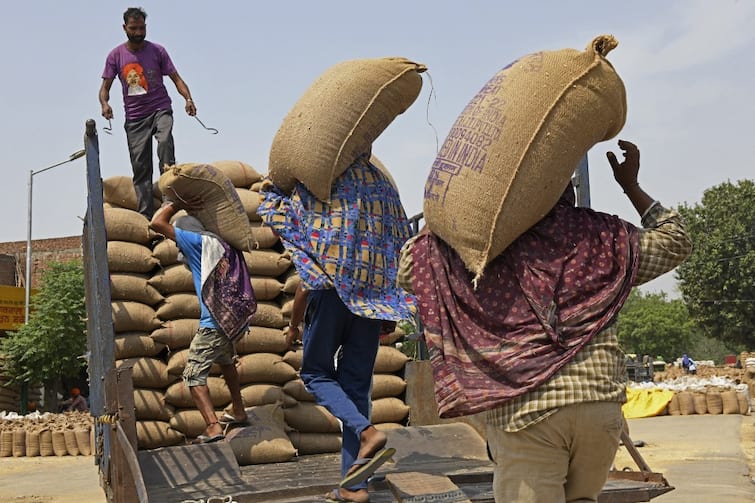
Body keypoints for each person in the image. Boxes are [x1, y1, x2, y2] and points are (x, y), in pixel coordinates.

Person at [397, 140, 692, 502]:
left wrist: (446, 209)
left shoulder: (484, 247)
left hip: (526, 411)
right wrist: (630, 186)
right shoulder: (603, 238)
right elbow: (675, 240)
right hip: (598, 406)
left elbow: (412, 270)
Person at [258, 154, 415, 503]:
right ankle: (353, 486)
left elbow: (278, 215)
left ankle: (366, 431)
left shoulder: (319, 181)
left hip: (330, 294)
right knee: (356, 390)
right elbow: (398, 243)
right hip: (369, 297)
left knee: (315, 374)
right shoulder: (381, 186)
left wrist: (273, 187)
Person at [150, 200, 257, 444]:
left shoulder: (195, 241)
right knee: (226, 362)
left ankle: (212, 427)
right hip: (232, 319)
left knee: (192, 375)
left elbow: (156, 223)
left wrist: (178, 201)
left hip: (213, 321)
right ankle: (239, 410)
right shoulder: (223, 244)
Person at [99, 7, 197, 219]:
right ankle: (146, 217)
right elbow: (104, 89)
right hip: (135, 118)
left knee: (164, 144)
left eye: (142, 28)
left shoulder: (158, 51)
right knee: (141, 168)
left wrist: (188, 99)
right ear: (125, 28)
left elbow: (176, 79)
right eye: (134, 28)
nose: (138, 32)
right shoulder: (115, 56)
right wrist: (105, 104)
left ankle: (169, 201)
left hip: (160, 107)